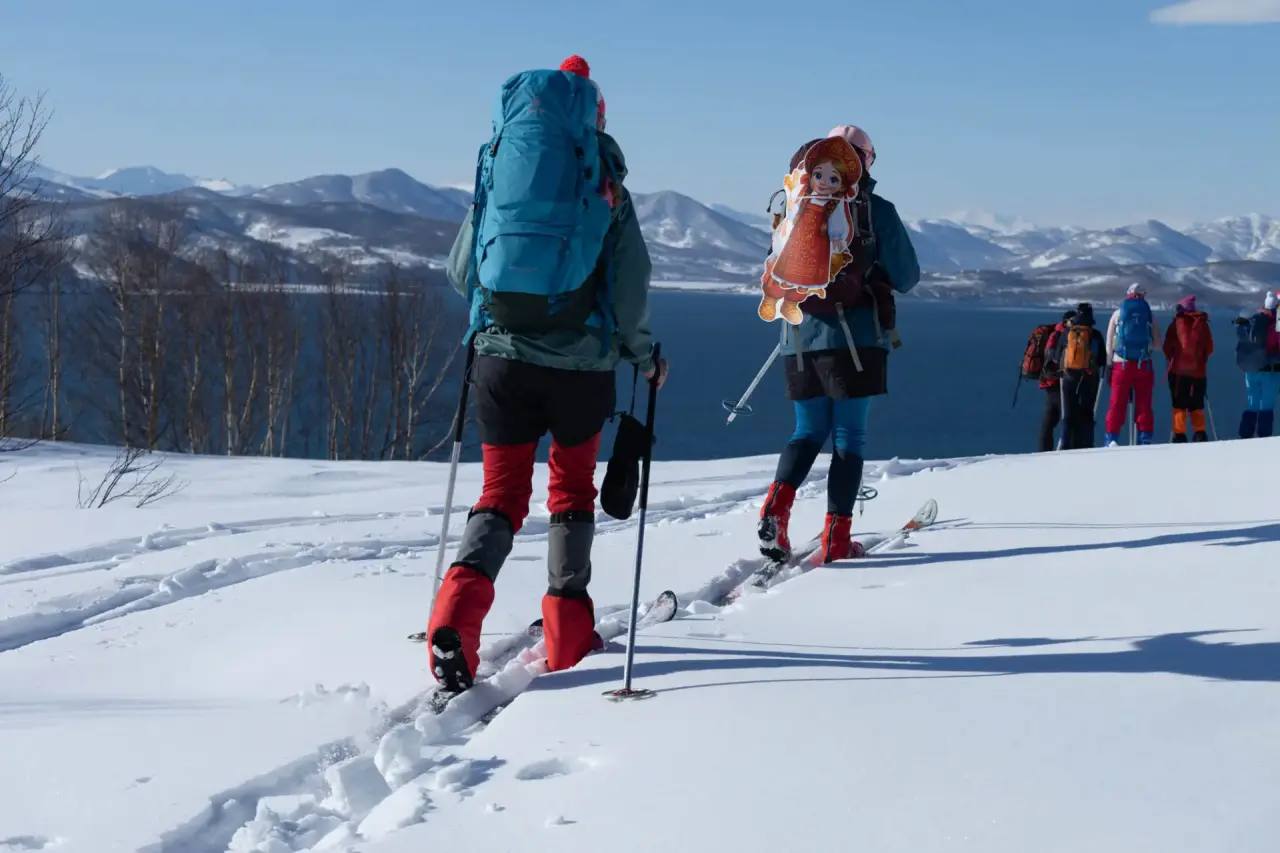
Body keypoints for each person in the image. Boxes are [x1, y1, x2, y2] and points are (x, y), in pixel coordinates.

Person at [429, 56, 667, 692]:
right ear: (594, 119)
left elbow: (461, 272)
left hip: (500, 363)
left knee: (501, 495)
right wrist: (645, 358)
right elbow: (630, 291)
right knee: (570, 494)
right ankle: (566, 632)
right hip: (580, 373)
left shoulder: (498, 172)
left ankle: (454, 617)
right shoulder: (606, 186)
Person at [757, 125, 920, 564]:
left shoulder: (794, 201)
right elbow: (907, 275)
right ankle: (836, 539)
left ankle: (775, 510)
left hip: (796, 337)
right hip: (855, 341)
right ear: (864, 161)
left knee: (806, 431)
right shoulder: (875, 210)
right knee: (849, 436)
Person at [1104, 283, 1160, 446]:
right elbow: (1158, 344)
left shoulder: (1118, 313)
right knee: (1144, 404)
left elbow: (1109, 344)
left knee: (1117, 403)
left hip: (1121, 365)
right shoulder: (1149, 315)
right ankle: (1145, 438)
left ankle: (1111, 439)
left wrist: (1109, 365)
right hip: (1144, 365)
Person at [1051, 303, 1107, 449]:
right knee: (1087, 412)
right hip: (1089, 377)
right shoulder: (1096, 335)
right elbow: (1102, 360)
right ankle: (1086, 444)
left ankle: (1065, 445)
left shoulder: (1067, 333)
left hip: (1068, 377)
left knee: (1068, 413)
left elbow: (1056, 357)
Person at [1163, 295, 1214, 442]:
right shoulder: (1202, 324)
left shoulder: (1176, 323)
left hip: (1178, 373)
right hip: (1199, 372)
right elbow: (1210, 348)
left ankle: (1179, 434)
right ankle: (1200, 432)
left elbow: (1167, 348)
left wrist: (1173, 359)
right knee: (1197, 404)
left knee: (1179, 403)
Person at [1235, 291, 1280, 438]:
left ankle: (1245, 435)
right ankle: (1263, 438)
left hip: (1251, 369)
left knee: (1252, 404)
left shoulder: (1254, 319)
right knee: (1266, 406)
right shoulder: (1276, 323)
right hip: (1270, 371)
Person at [1038, 309, 1075, 452]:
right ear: (1066, 321)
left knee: (1050, 420)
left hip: (1050, 382)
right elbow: (1053, 357)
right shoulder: (1061, 335)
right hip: (1057, 383)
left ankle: (1044, 451)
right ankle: (1065, 449)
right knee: (1068, 418)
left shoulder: (1056, 333)